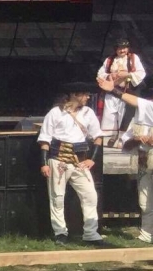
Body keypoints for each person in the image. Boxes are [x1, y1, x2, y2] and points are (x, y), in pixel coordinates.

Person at [37, 81, 104, 244]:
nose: (88, 97)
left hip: (80, 161)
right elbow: (45, 139)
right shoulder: (55, 113)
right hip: (58, 160)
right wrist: (44, 163)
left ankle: (91, 233)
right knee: (57, 198)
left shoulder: (88, 113)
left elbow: (98, 137)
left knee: (90, 195)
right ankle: (60, 233)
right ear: (74, 95)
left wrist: (91, 159)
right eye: (85, 94)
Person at [98, 76, 153, 242]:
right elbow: (126, 144)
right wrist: (138, 140)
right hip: (144, 164)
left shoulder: (147, 107)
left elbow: (135, 101)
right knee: (144, 202)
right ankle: (146, 234)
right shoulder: (140, 120)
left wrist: (114, 90)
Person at [96, 38, 146, 140]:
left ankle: (122, 139)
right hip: (111, 92)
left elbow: (141, 73)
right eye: (120, 48)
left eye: (124, 48)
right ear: (116, 49)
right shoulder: (109, 60)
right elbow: (100, 74)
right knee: (109, 115)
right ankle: (109, 137)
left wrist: (127, 74)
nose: (122, 50)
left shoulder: (133, 58)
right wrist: (109, 75)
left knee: (124, 115)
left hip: (125, 92)